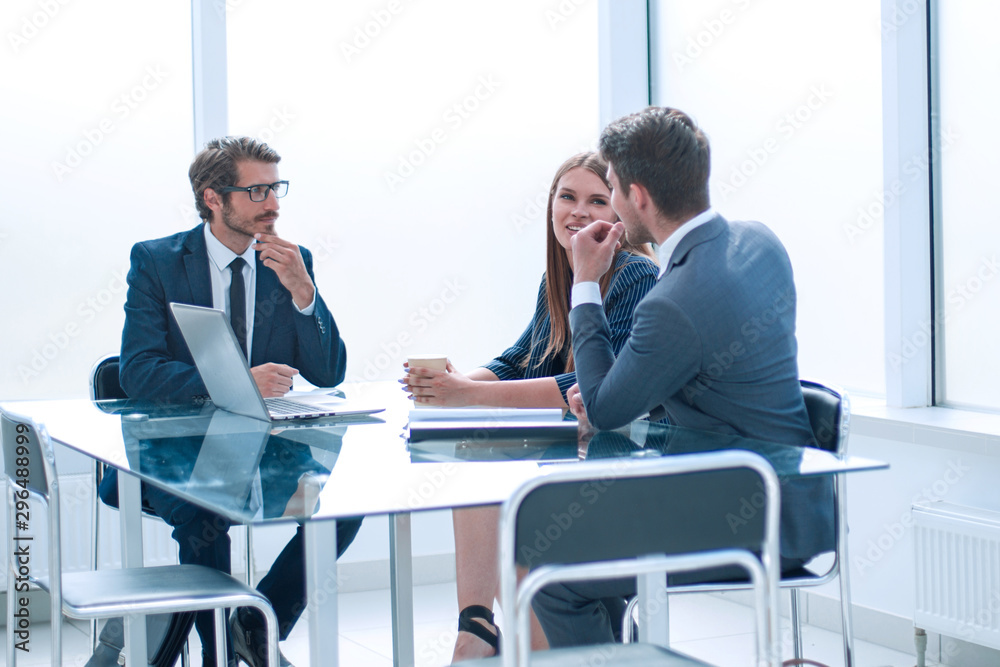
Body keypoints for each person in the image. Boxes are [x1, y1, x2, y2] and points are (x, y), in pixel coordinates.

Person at [531, 106, 836, 648]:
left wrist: (584, 281)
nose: (612, 203)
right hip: (804, 507)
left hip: (749, 521)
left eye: (613, 191)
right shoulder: (760, 241)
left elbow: (602, 410)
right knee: (585, 544)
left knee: (552, 576)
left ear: (638, 198)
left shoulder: (671, 302)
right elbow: (717, 373)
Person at [102, 136, 362, 667]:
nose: (274, 203)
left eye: (276, 188)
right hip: (173, 454)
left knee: (345, 505)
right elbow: (137, 370)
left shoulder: (290, 260)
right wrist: (236, 381)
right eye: (257, 190)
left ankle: (255, 622)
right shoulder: (157, 261)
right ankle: (218, 651)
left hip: (264, 456)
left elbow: (328, 371)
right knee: (205, 514)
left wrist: (302, 291)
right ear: (214, 198)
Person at [402, 152, 658, 661]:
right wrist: (447, 384)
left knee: (520, 528)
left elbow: (591, 383)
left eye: (596, 201)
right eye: (567, 197)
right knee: (473, 460)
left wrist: (466, 394)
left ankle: (522, 645)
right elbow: (521, 360)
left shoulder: (635, 276)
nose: (578, 212)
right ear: (550, 207)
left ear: (621, 218)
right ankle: (475, 627)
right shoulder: (558, 280)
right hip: (570, 459)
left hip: (619, 473)